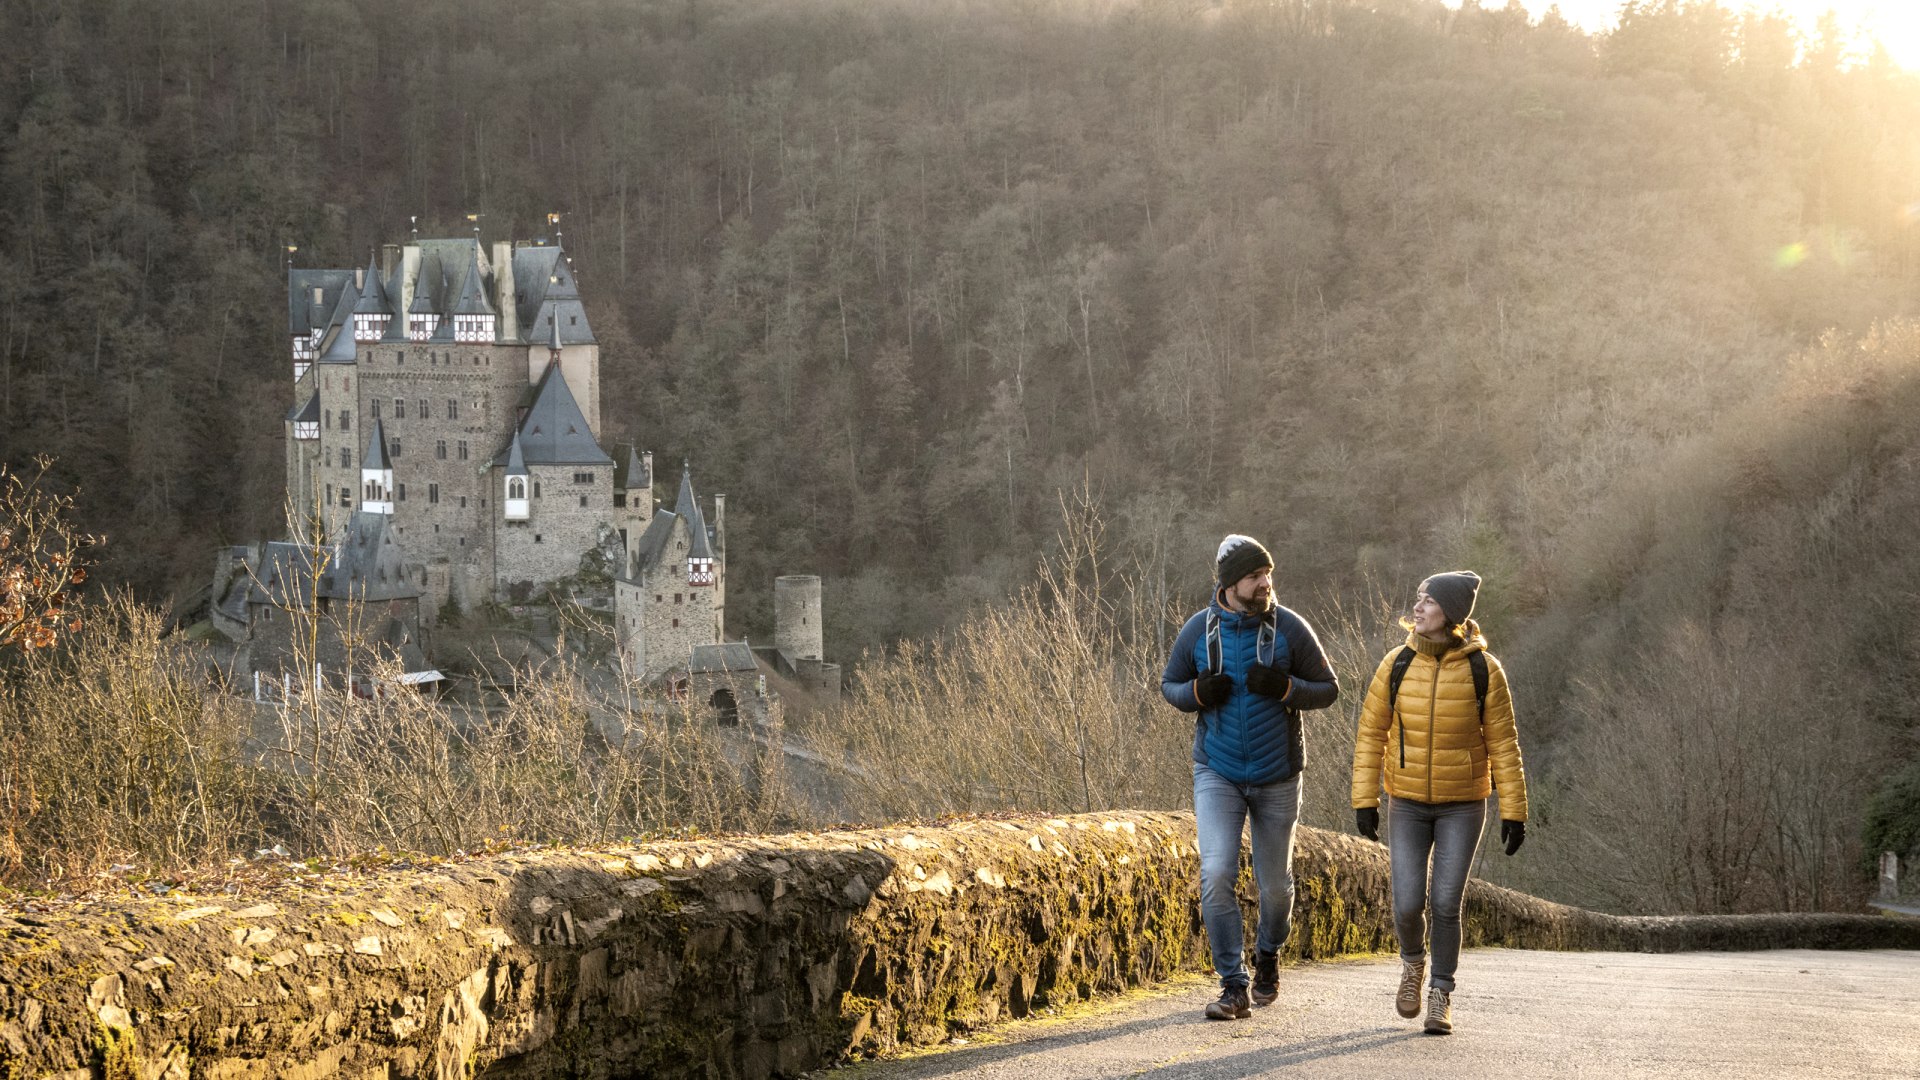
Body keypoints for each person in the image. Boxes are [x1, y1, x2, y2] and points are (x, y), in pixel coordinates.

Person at [1162, 534, 1340, 1020]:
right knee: (1216, 874)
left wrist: (1285, 687)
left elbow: (1328, 689)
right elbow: (1169, 685)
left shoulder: (1290, 628)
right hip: (1216, 770)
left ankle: (1268, 955)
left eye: (1268, 575)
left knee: (1275, 887)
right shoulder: (1199, 630)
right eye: (1254, 576)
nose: (1265, 583)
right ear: (1230, 584)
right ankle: (1233, 985)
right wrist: (1198, 693)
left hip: (1278, 773)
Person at [1349, 571, 1528, 1034]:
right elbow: (1371, 732)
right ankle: (1413, 965)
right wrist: (1364, 798)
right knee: (1407, 904)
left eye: (1427, 601)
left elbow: (1504, 743)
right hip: (1406, 801)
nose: (1417, 607)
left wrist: (1514, 810)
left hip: (1463, 804)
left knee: (1446, 902)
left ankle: (1441, 993)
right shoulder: (1396, 663)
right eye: (1417, 598)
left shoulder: (1483, 669)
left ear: (1449, 613)